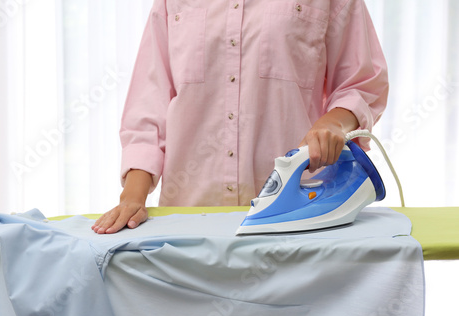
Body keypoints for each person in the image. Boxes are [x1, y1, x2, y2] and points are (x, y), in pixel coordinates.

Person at [92, 0, 388, 234]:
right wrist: (133, 196)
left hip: (296, 222)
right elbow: (149, 104)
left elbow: (363, 82)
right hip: (189, 220)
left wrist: (334, 123)